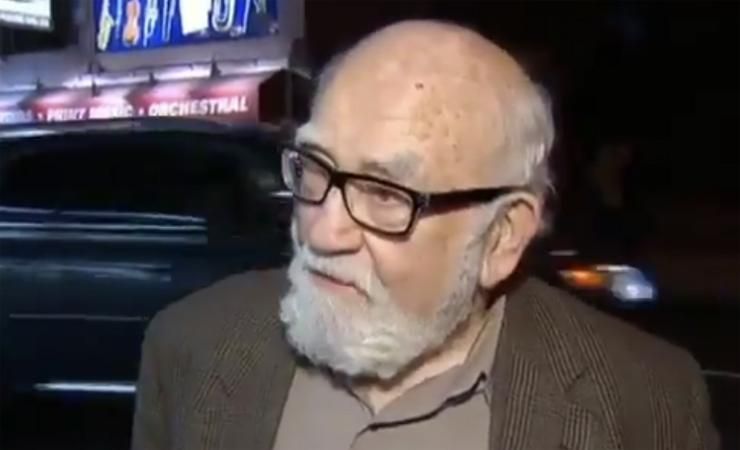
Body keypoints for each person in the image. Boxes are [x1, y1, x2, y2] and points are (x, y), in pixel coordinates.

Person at [131, 20, 718, 450]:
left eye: (386, 195)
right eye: (314, 167)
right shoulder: (190, 347)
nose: (323, 231)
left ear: (502, 237)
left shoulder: (647, 404)